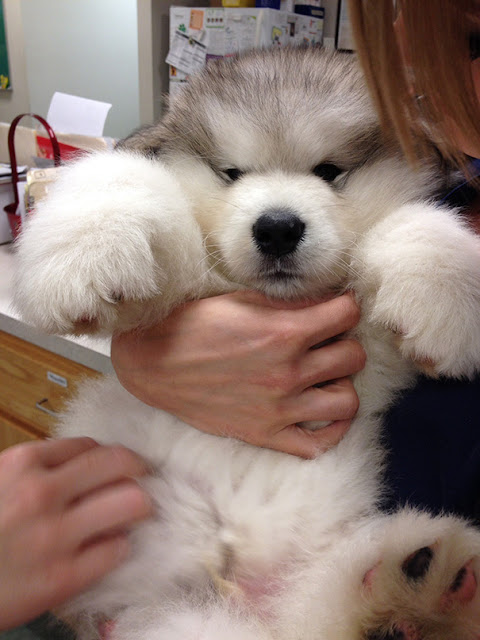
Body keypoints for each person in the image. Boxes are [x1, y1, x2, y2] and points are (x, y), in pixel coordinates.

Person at [2, 0, 480, 630]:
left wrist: (430, 252)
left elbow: (433, 295)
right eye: (231, 172)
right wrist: (112, 237)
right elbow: (142, 222)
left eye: (330, 171)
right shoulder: (174, 212)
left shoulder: (408, 227)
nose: (276, 216)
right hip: (145, 517)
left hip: (315, 552)